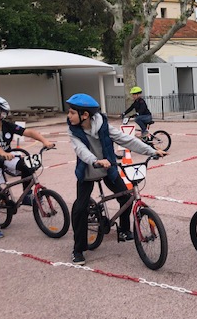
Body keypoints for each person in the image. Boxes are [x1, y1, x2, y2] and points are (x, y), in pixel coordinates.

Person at [67, 93, 166, 265]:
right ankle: (78, 249)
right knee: (80, 209)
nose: (68, 116)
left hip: (108, 169)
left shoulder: (103, 125)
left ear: (85, 115)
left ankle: (124, 231)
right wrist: (95, 161)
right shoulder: (73, 130)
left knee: (126, 197)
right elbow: (80, 150)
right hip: (88, 171)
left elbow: (125, 139)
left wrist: (151, 151)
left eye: (72, 113)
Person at [0, 96, 54, 239]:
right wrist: (2, 153)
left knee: (27, 165)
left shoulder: (7, 125)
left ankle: (27, 195)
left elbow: (29, 132)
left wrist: (45, 141)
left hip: (7, 157)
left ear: (2, 114)